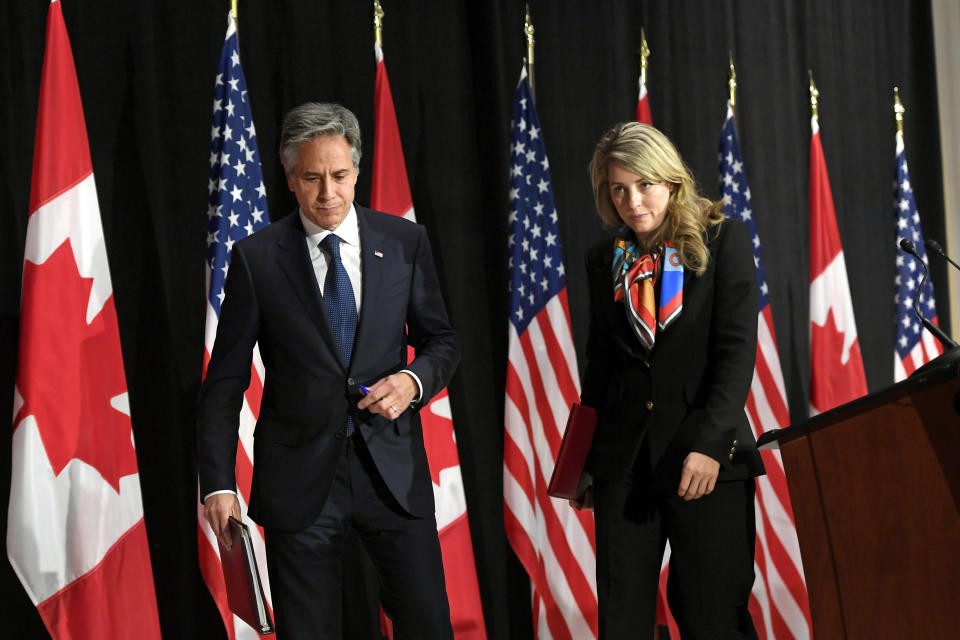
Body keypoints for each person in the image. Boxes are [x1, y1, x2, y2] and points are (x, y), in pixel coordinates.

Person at [198, 102, 459, 640]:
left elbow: (442, 341)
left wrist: (412, 382)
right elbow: (224, 382)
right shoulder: (257, 259)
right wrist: (218, 484)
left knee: (428, 624)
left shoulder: (404, 242)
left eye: (339, 175)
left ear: (356, 171)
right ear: (291, 178)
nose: (328, 193)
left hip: (392, 476)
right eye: (312, 178)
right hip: (300, 482)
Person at [574, 121, 765, 639]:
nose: (632, 202)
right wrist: (582, 464)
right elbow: (600, 367)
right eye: (618, 189)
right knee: (622, 622)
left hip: (704, 460)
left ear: (671, 181)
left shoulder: (723, 240)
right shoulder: (604, 260)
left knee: (711, 619)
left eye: (644, 185)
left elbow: (735, 354)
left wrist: (709, 446)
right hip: (624, 465)